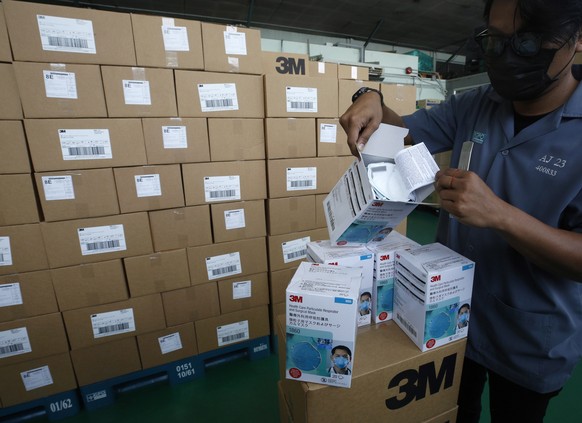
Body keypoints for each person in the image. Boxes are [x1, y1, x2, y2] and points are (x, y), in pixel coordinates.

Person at [339, 0, 582, 421]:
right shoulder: (477, 104)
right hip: (447, 317)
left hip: (529, 338)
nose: (507, 56)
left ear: (577, 41)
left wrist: (499, 215)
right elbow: (403, 132)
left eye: (525, 43)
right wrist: (373, 99)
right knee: (452, 412)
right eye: (495, 40)